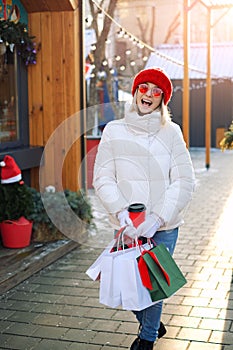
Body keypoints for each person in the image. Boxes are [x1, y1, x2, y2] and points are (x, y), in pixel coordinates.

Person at [93, 67, 195, 350]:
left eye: (156, 90)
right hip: (126, 226)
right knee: (127, 283)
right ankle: (152, 322)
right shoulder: (113, 130)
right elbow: (102, 177)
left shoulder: (171, 132)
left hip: (162, 228)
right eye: (143, 87)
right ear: (136, 91)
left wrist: (158, 217)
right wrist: (121, 213)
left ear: (162, 99)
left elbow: (185, 180)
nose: (148, 94)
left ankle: (147, 338)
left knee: (153, 286)